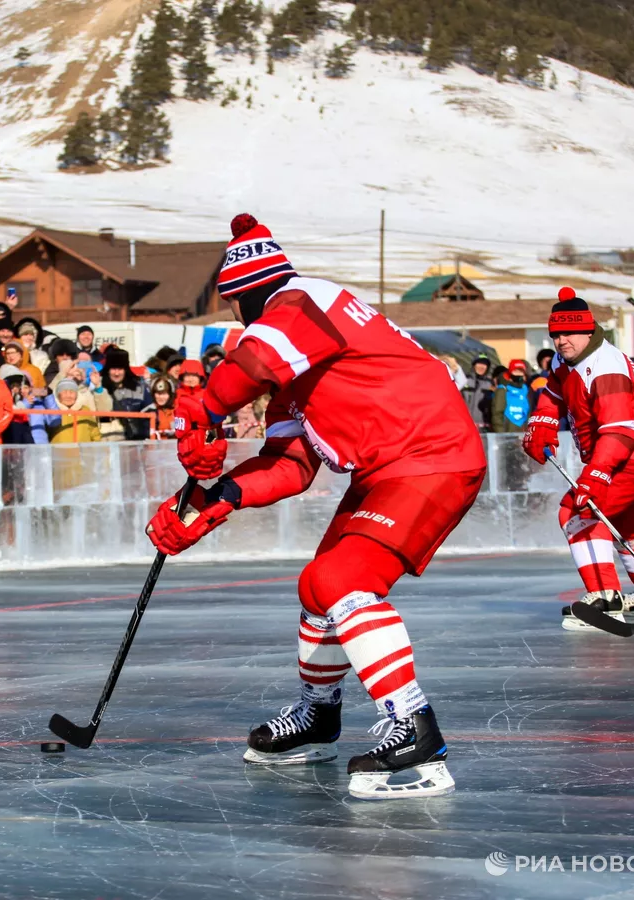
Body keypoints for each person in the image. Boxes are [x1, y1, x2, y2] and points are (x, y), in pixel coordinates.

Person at [145, 213, 485, 800]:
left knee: (341, 579)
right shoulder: (295, 366)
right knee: (316, 587)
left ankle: (415, 725)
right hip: (389, 469)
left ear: (244, 296)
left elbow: (247, 368)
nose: (234, 318)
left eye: (231, 306)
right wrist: (213, 498)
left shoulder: (303, 300)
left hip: (430, 457)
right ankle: (319, 714)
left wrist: (203, 409)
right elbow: (290, 466)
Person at [523, 288, 634, 630]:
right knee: (629, 524)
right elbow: (553, 391)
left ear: (588, 330)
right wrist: (543, 421)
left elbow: (620, 432)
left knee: (577, 512)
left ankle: (605, 600)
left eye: (568, 333)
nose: (561, 340)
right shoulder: (571, 360)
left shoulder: (605, 369)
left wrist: (596, 475)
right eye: (556, 334)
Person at [102, 348, 152, 441]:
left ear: (125, 370)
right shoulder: (101, 389)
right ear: (108, 370)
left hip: (137, 441)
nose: (116, 373)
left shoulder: (139, 388)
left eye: (120, 369)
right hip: (110, 440)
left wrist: (146, 437)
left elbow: (149, 413)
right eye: (113, 369)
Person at [45, 378, 100, 442]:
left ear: (77, 394)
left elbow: (95, 433)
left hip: (82, 451)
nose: (68, 396)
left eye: (72, 392)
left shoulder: (85, 410)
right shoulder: (52, 411)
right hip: (59, 451)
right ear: (58, 395)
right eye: (64, 392)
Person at [490, 359, 531, 433]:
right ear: (510, 372)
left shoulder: (525, 390)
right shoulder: (503, 389)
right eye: (515, 371)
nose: (518, 374)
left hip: (523, 434)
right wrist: (501, 435)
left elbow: (528, 413)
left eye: (521, 371)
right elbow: (497, 414)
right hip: (507, 434)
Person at [462, 355, 496, 430]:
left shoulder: (490, 384)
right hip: (464, 425)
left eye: (484, 364)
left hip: (483, 427)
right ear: (474, 365)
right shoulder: (464, 380)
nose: (481, 367)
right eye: (479, 363)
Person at [146, 374, 177, 439]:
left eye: (164, 393)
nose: (161, 397)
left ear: (170, 394)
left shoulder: (178, 411)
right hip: (156, 447)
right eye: (158, 393)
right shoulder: (148, 411)